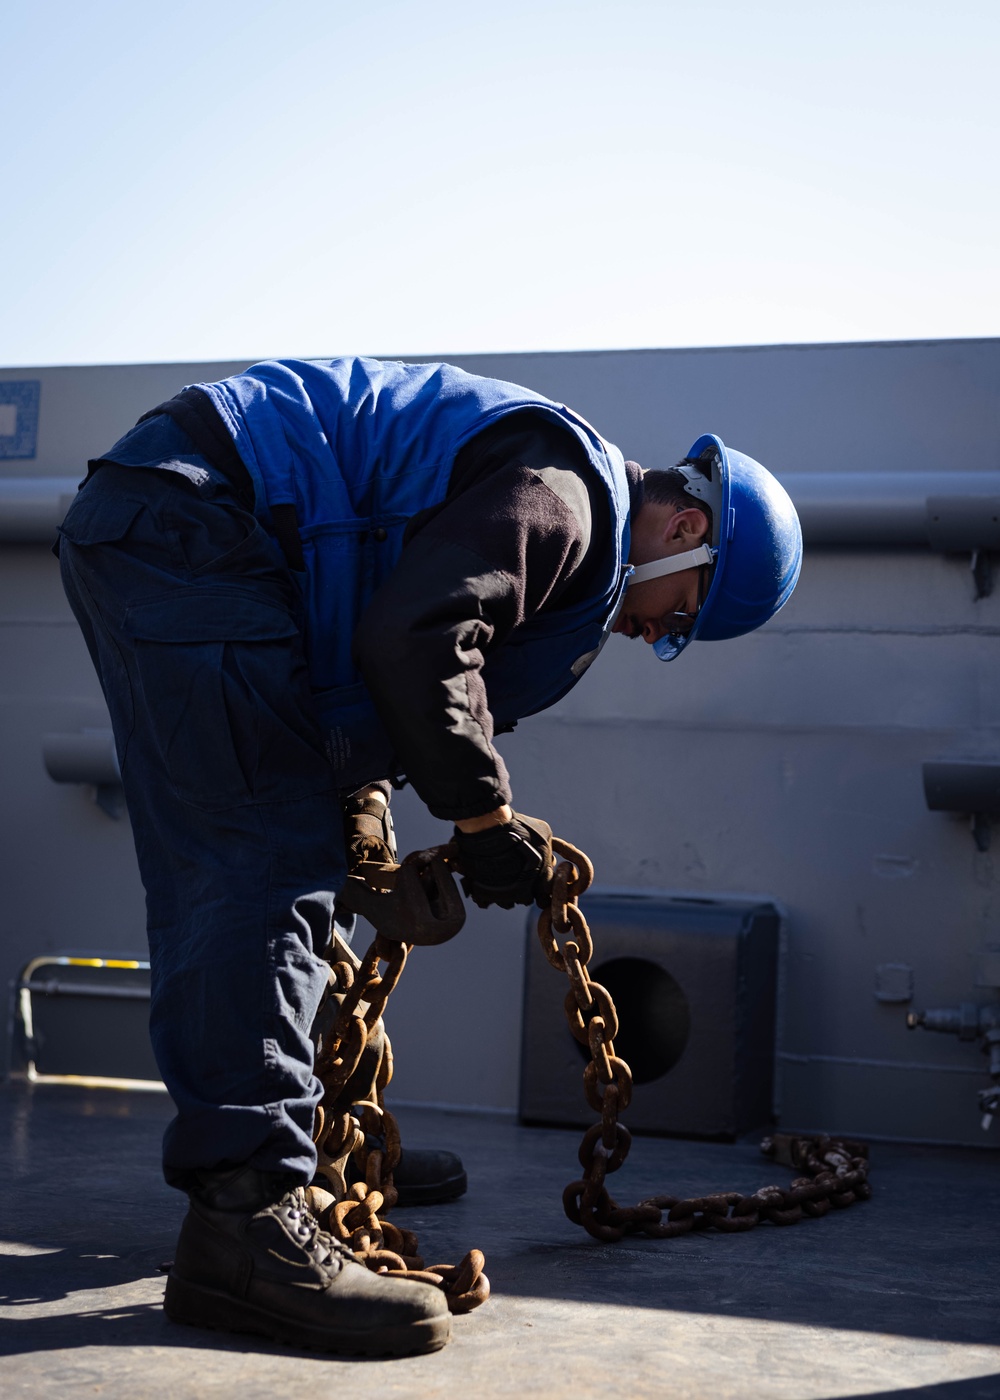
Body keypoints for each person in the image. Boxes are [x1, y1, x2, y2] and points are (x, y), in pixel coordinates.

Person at [57, 356, 802, 1356]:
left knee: (284, 847)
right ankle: (243, 1219)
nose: (645, 629)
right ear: (686, 532)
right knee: (255, 863)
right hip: (191, 519)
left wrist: (365, 822)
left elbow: (357, 630)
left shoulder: (548, 492)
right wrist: (483, 821)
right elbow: (417, 633)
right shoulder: (569, 501)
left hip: (187, 522)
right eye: (676, 615)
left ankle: (311, 1148)